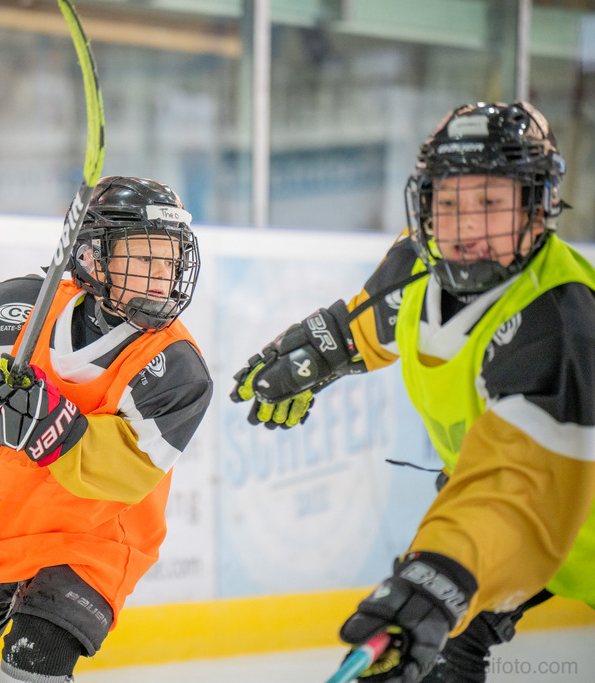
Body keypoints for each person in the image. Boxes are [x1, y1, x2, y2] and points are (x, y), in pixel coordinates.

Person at [230, 101, 595, 682]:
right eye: (447, 202)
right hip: (509, 522)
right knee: (436, 657)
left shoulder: (558, 315)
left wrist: (439, 574)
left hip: (550, 515)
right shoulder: (419, 264)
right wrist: (322, 351)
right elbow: (375, 322)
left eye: (491, 202)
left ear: (538, 206)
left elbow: (523, 488)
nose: (466, 226)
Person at [0, 176, 213, 683]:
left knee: (35, 656)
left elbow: (130, 471)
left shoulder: (175, 365)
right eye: (144, 256)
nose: (163, 274)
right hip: (5, 514)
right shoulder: (20, 308)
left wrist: (51, 424)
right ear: (92, 257)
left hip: (97, 536)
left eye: (171, 258)